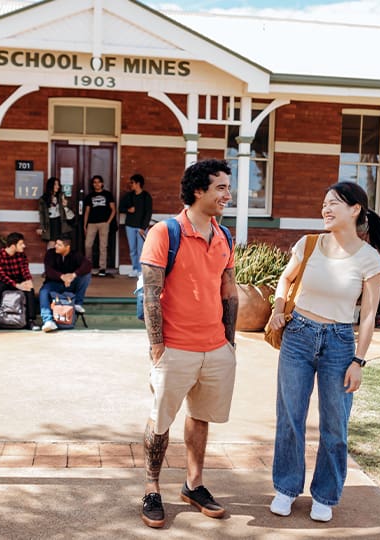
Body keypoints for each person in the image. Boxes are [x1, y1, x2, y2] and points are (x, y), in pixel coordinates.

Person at [266, 181, 380, 522]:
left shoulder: (369, 259)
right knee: (290, 416)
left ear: (355, 210)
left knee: (335, 424)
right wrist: (278, 308)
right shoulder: (309, 244)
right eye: (324, 203)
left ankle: (325, 494)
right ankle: (286, 487)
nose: (325, 209)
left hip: (339, 343)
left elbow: (367, 314)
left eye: (334, 203)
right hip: (298, 336)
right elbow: (285, 280)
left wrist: (358, 360)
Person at [138, 158, 238, 528]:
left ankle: (194, 485)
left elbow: (229, 293)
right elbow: (151, 294)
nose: (228, 194)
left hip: (215, 348)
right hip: (175, 347)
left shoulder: (224, 235)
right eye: (221, 187)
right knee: (160, 420)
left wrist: (228, 343)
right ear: (199, 190)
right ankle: (151, 488)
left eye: (228, 187)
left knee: (201, 417)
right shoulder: (165, 233)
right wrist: (157, 348)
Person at [38, 236, 91, 333]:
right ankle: (48, 321)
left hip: (70, 284)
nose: (56, 246)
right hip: (54, 283)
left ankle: (78, 304)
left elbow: (87, 265)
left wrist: (73, 275)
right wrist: (62, 276)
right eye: (56, 244)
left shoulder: (75, 254)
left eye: (59, 245)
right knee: (43, 291)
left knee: (86, 275)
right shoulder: (50, 254)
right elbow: (48, 271)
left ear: (67, 247)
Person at [0, 232, 38, 330]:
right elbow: (2, 276)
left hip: (19, 279)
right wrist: (16, 285)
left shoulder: (22, 255)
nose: (24, 246)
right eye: (21, 244)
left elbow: (25, 270)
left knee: (30, 290)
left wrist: (28, 280)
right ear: (12, 246)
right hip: (7, 281)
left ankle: (30, 320)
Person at [120, 173, 153, 278]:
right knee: (132, 249)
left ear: (138, 183)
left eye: (132, 183)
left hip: (141, 227)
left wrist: (143, 227)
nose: (131, 185)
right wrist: (128, 210)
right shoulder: (129, 196)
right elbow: (120, 208)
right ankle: (135, 268)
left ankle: (141, 270)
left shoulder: (146, 196)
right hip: (129, 226)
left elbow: (148, 213)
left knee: (141, 250)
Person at [83, 175, 116, 277]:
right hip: (92, 223)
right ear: (92, 184)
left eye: (98, 182)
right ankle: (88, 266)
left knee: (103, 246)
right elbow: (87, 211)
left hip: (104, 223)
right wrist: (85, 225)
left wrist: (108, 222)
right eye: (94, 182)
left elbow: (113, 209)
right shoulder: (89, 196)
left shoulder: (107, 194)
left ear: (102, 183)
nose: (96, 184)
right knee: (88, 245)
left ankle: (102, 268)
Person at [37, 176, 74, 249]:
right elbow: (42, 214)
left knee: (63, 245)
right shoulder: (43, 199)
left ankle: (63, 260)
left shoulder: (61, 196)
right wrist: (41, 227)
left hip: (61, 222)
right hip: (51, 223)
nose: (58, 186)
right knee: (51, 245)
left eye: (58, 184)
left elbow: (69, 207)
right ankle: (51, 260)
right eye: (55, 184)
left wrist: (66, 204)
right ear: (51, 186)